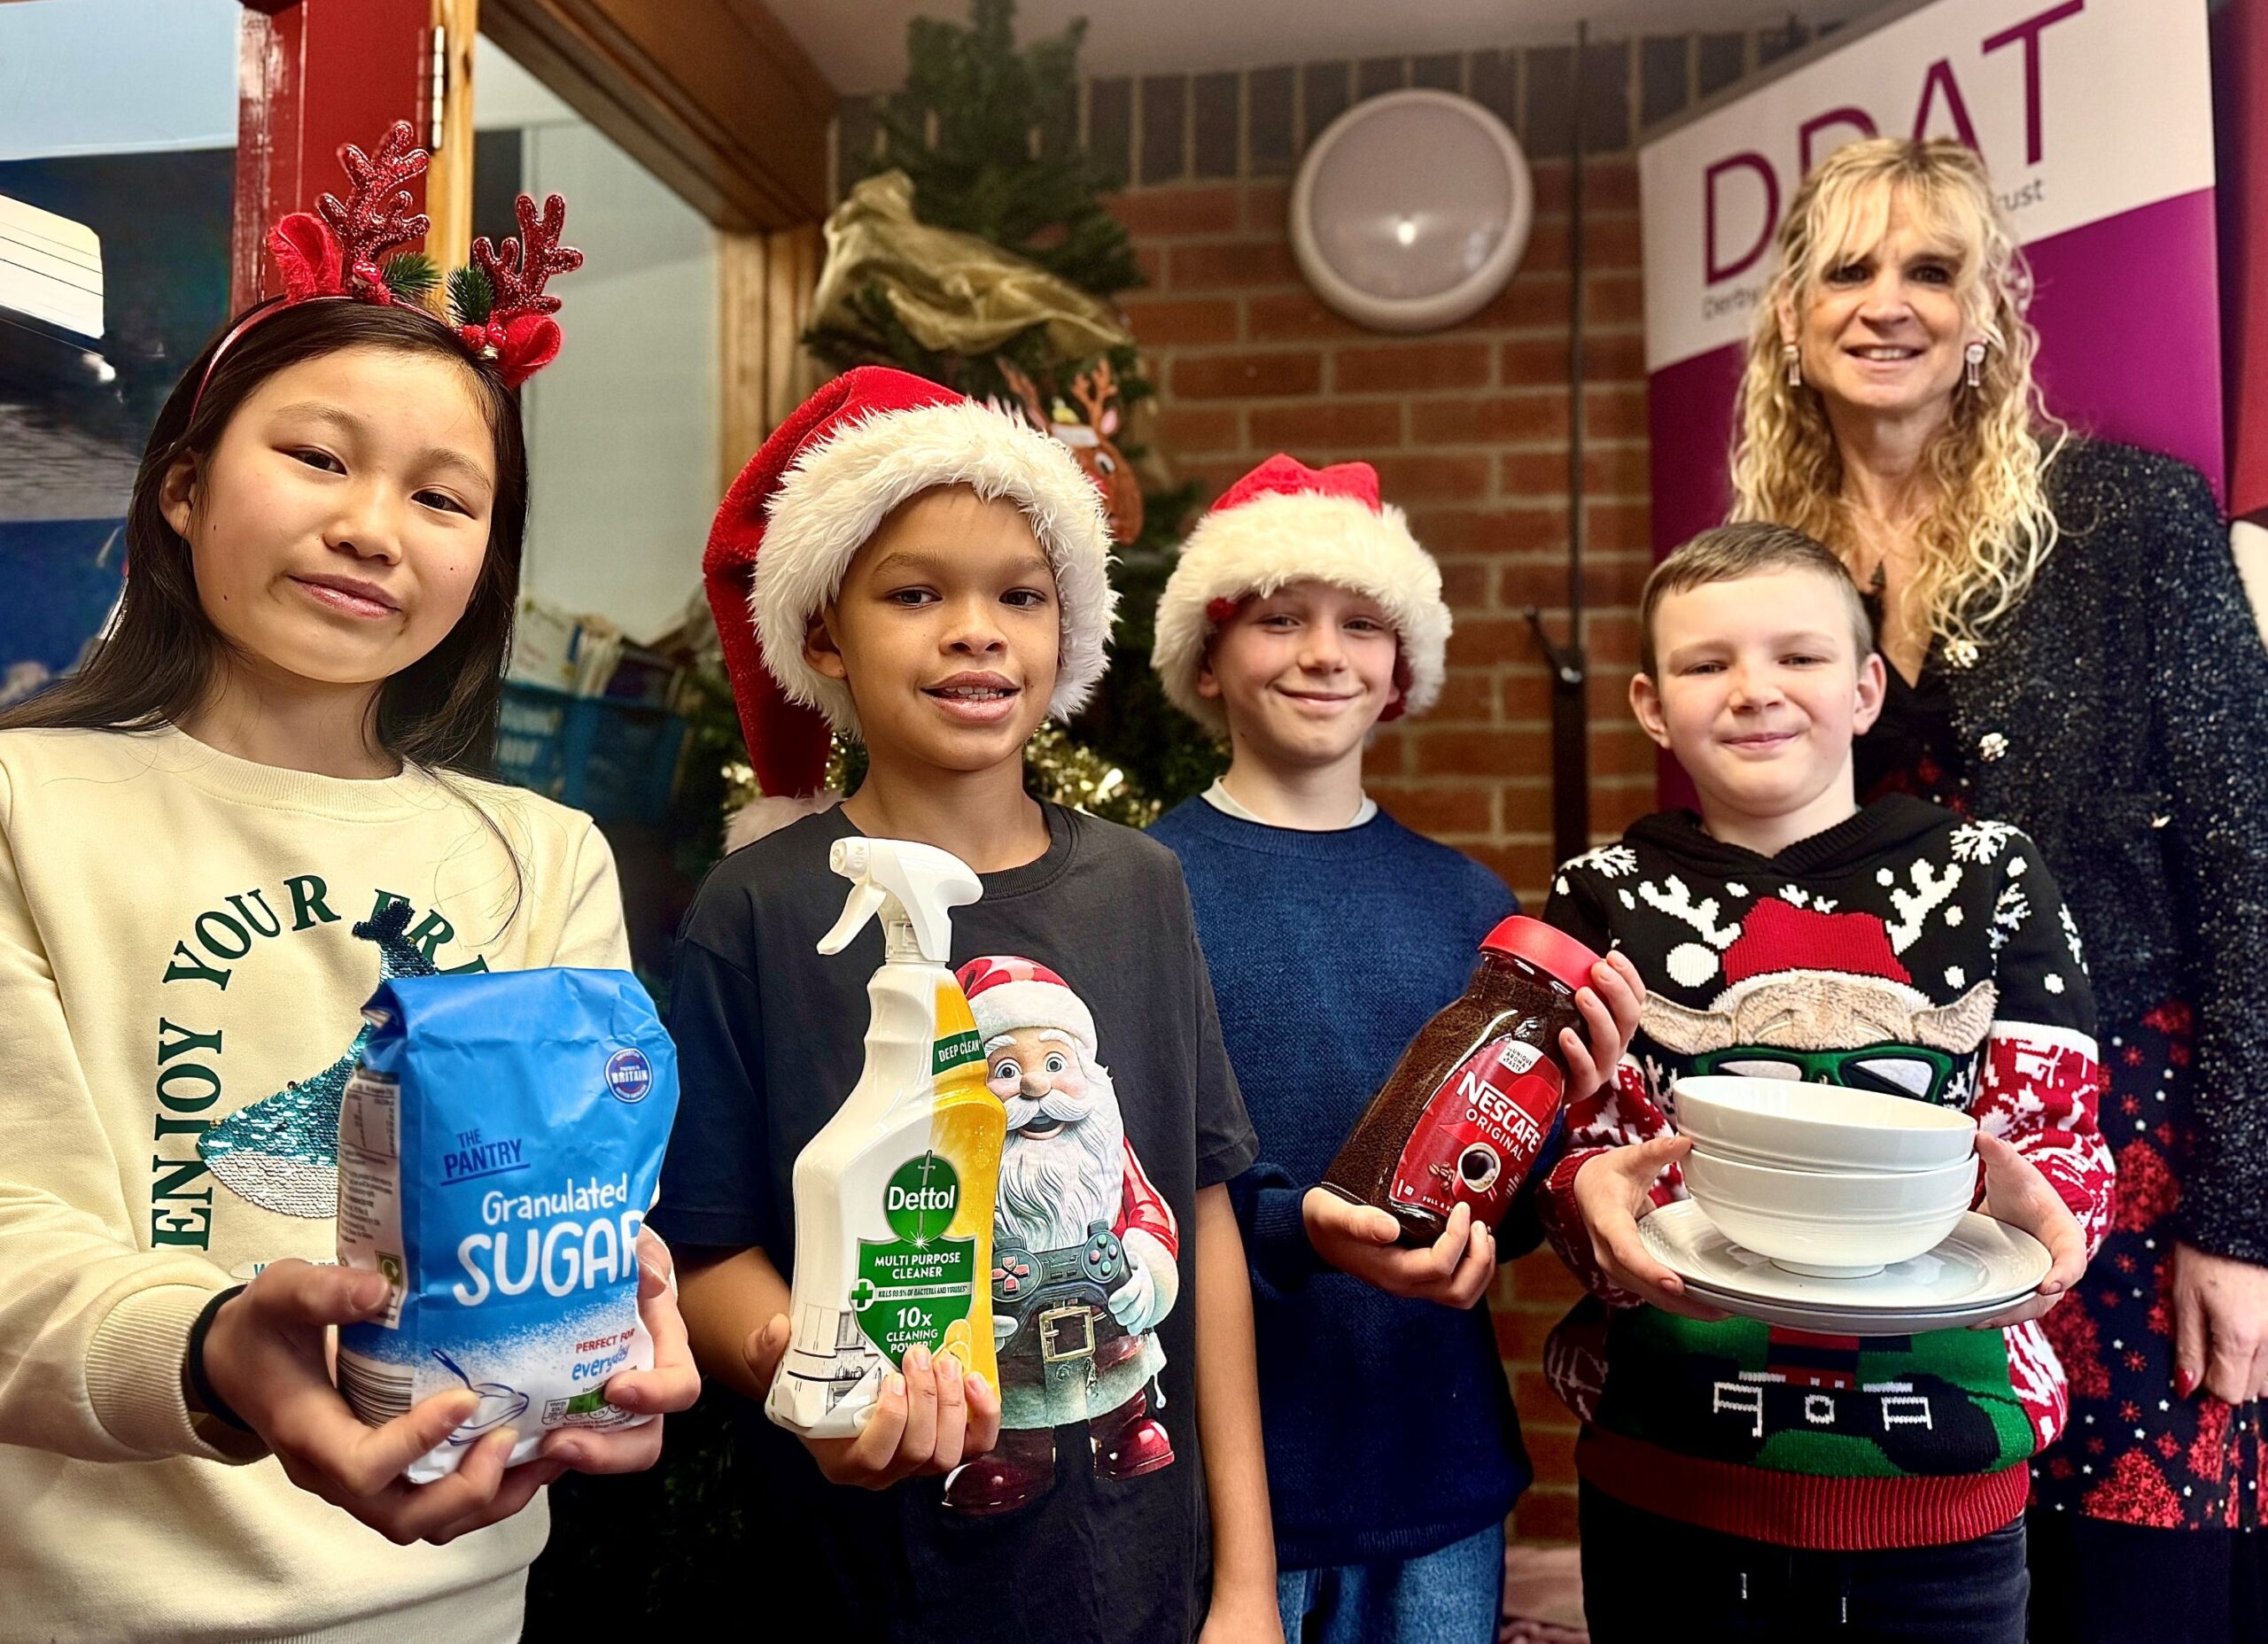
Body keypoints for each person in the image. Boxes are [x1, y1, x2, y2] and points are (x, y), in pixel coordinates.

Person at [0, 123, 695, 1643]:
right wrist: (213, 1351)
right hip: (92, 1603)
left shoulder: (540, 854)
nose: (371, 528)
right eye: (317, 457)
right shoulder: (23, 806)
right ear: (184, 488)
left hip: (458, 1598)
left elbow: (582, 1197)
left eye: (444, 499)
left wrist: (623, 1316)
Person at [1729, 135, 2268, 1644]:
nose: (1887, 302)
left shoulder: (2131, 517)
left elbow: (2251, 875)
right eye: (1849, 269)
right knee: (1919, 1572)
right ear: (1791, 318)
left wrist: (2242, 1220)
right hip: (1883, 1151)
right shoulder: (1764, 571)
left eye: (1931, 269)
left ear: (1984, 317)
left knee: (2140, 1583)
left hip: (2138, 1155)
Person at [656, 365, 1279, 1642]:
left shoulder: (1142, 888)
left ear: (1069, 628)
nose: (976, 631)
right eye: (914, 594)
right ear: (823, 635)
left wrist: (1247, 1584)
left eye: (1020, 595)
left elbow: (1203, 1214)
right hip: (864, 1584)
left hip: (1136, 1576)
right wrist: (806, 1373)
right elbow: (706, 1246)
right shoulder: (756, 907)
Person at [1539, 523, 2111, 1643]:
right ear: (1651, 704)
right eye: (1708, 662)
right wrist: (1582, 1200)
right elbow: (1577, 1153)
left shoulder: (1990, 873)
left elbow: (2058, 1136)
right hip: (1669, 1478)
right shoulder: (1600, 894)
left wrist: (2053, 1215)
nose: (1754, 688)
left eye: (1796, 655)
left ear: (1864, 688)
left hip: (1942, 1496)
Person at [1143, 454, 1643, 1644]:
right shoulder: (1140, 887)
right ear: (1206, 657)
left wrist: (1565, 1133)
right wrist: (1296, 1231)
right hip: (1209, 1486)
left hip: (1432, 1469)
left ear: (1402, 668)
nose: (1325, 654)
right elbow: (1131, 1179)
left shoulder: (1467, 903)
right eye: (1279, 619)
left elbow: (1499, 1214)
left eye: (1362, 624)